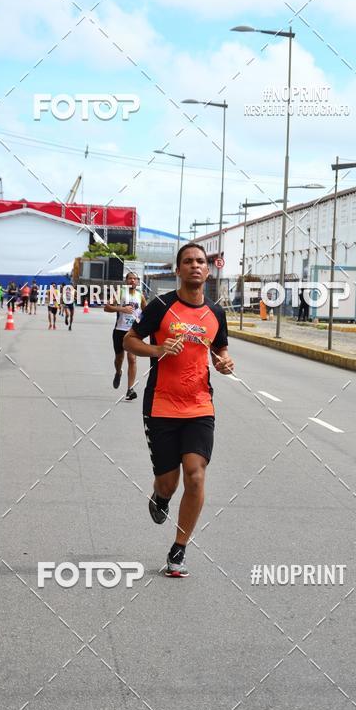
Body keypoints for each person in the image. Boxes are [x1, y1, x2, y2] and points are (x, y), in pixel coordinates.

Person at [123, 243, 234, 577]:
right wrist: (157, 348)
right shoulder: (160, 306)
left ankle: (179, 550)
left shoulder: (216, 312)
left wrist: (225, 362)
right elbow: (130, 340)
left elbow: (220, 349)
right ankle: (160, 497)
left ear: (209, 269)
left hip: (199, 405)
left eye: (200, 261)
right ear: (178, 269)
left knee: (196, 474)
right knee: (168, 483)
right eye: (188, 261)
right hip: (161, 405)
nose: (195, 266)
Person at [104, 271, 147, 401]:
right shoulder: (120, 293)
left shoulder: (141, 296)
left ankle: (130, 389)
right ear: (126, 281)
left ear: (138, 282)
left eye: (135, 279)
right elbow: (106, 307)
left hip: (133, 332)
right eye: (130, 279)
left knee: (132, 359)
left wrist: (143, 323)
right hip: (119, 330)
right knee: (119, 359)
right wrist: (121, 309)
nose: (132, 281)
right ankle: (118, 372)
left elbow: (146, 311)